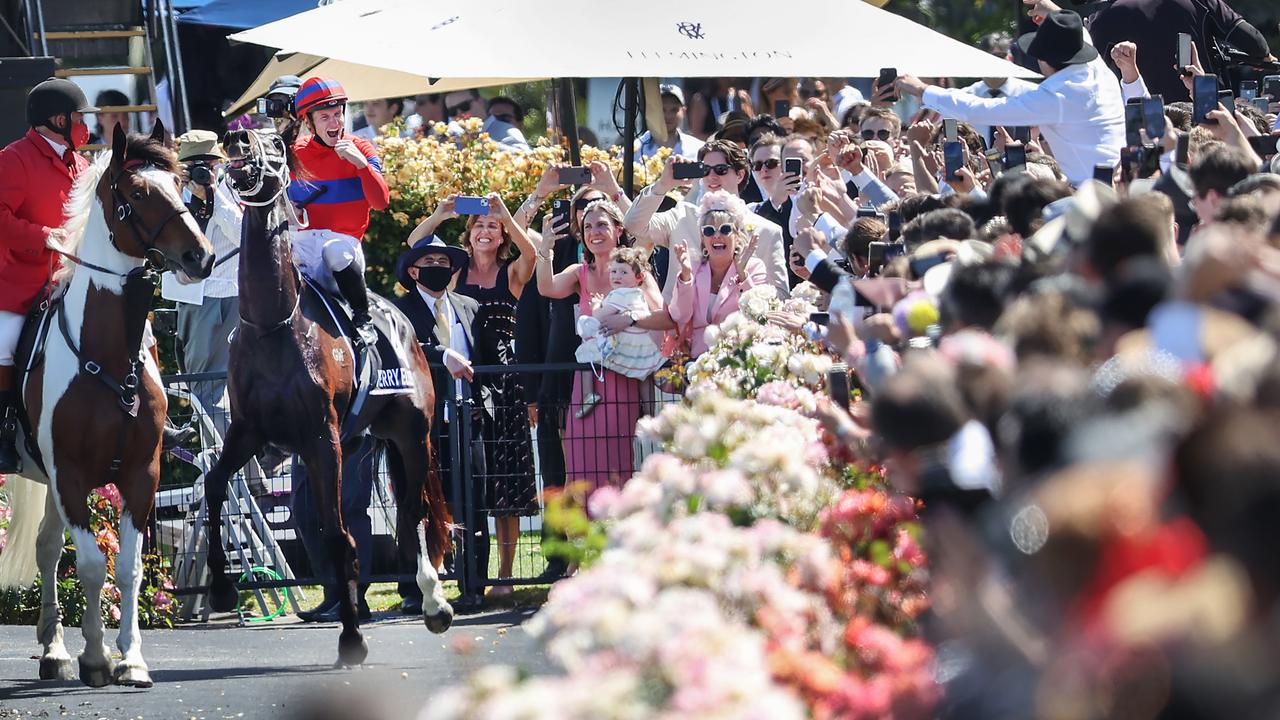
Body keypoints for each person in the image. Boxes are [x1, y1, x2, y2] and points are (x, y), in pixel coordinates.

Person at [405, 192, 538, 595]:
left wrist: (506, 214)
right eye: (479, 225)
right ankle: (452, 567)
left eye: (492, 227)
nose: (485, 230)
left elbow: (532, 254)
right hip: (459, 385)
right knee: (466, 483)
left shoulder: (511, 273)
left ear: (501, 237)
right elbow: (415, 249)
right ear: (468, 235)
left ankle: (504, 574)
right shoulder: (454, 277)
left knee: (506, 483)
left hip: (502, 383)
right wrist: (440, 214)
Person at [896, 9, 1125, 185]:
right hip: (1115, 183)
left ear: (1043, 60)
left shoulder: (1054, 96)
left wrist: (922, 89)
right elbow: (1081, 36)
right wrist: (1053, 12)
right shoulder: (1098, 70)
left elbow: (979, 110)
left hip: (1090, 197)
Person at [535, 200, 666, 497]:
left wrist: (630, 318)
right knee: (580, 463)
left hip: (625, 378)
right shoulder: (578, 273)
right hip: (588, 382)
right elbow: (546, 288)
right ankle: (582, 537)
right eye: (588, 226)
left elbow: (664, 317)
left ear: (618, 230)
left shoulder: (635, 272)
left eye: (602, 225)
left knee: (618, 462)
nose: (594, 232)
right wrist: (545, 247)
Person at [0, 78, 95, 472]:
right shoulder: (13, 159)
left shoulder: (83, 165)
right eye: (78, 117)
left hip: (71, 282)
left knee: (138, 324)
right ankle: (4, 430)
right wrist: (43, 236)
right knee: (3, 345)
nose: (84, 125)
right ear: (58, 120)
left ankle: (147, 412)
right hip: (19, 286)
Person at [391, 236, 489, 613]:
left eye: (443, 260)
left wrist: (487, 402)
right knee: (418, 502)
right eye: (429, 260)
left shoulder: (470, 306)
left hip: (469, 420)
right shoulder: (397, 312)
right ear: (414, 270)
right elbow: (406, 350)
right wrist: (443, 354)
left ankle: (473, 582)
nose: (438, 266)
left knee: (472, 501)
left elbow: (487, 360)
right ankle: (415, 589)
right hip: (420, 425)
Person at [286, 76, 389, 346]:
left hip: (343, 248)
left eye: (338, 114)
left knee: (334, 249)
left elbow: (380, 202)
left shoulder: (363, 147)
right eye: (325, 117)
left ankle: (362, 317)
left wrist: (361, 165)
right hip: (301, 246)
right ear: (308, 122)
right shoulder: (293, 154)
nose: (335, 124)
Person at [624, 139, 789, 300]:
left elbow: (780, 296)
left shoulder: (768, 231)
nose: (711, 176)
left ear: (740, 175)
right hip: (679, 325)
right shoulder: (682, 215)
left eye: (721, 169)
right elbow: (633, 225)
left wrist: (745, 279)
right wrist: (663, 185)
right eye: (705, 170)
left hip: (737, 325)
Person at [170, 130, 242, 437]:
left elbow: (244, 236)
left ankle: (234, 470)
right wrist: (186, 191)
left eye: (210, 165)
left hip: (234, 296)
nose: (204, 172)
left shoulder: (231, 192)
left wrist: (213, 195)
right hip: (196, 298)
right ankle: (240, 471)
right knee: (201, 388)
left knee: (226, 388)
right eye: (195, 166)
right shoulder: (172, 197)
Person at [1084, 0, 1274, 102]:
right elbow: (1254, 42)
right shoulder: (1199, 2)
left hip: (1148, 124)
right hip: (1208, 112)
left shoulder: (1105, 17)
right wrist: (1265, 57)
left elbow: (1084, 71)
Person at [665, 191, 770, 360]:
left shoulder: (754, 268)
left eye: (725, 229)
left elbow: (759, 315)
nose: (716, 235)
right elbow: (679, 316)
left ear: (737, 235)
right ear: (702, 239)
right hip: (696, 359)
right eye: (709, 231)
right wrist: (685, 277)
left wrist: (742, 274)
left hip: (739, 357)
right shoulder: (692, 268)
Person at [574, 245, 667, 382]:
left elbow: (600, 316)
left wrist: (596, 305)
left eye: (623, 272)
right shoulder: (639, 294)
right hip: (643, 350)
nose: (617, 276)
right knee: (645, 376)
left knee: (585, 350)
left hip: (625, 348)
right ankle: (649, 404)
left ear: (639, 277)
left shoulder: (619, 293)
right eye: (614, 271)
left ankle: (588, 393)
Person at [962, 33, 1040, 148]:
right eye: (987, 58)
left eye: (1000, 56)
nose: (994, 62)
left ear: (1011, 58)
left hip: (1027, 163)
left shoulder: (1032, 94)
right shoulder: (965, 97)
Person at [637, 84, 705, 161]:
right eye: (662, 110)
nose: (668, 116)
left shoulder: (698, 149)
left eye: (674, 110)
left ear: (684, 111)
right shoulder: (635, 150)